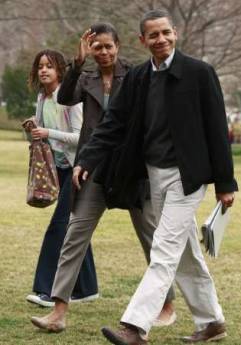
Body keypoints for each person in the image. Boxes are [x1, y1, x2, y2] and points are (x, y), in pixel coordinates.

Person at [65, 10, 237, 344]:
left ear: (175, 33)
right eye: (153, 36)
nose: (161, 40)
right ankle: (212, 320)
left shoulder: (200, 73)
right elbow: (112, 123)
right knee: (185, 251)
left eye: (165, 33)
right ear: (143, 41)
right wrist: (86, 158)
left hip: (188, 178)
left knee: (164, 249)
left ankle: (135, 327)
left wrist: (225, 183)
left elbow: (217, 129)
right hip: (153, 177)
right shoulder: (138, 78)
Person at [30, 23, 176, 332]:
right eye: (98, 47)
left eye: (108, 46)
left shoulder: (137, 74)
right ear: (91, 50)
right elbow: (66, 99)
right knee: (75, 235)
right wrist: (76, 64)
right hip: (93, 167)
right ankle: (58, 311)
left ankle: (166, 304)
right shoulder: (85, 77)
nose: (104, 51)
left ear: (118, 46)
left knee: (151, 237)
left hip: (131, 169)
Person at [25, 49, 99, 308]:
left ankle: (46, 290)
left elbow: (83, 137)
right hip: (59, 169)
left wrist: (49, 131)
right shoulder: (42, 98)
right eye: (40, 66)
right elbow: (44, 135)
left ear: (60, 71)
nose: (44, 70)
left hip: (80, 168)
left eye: (49, 66)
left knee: (58, 226)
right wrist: (35, 130)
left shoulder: (71, 99)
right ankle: (87, 288)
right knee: (74, 227)